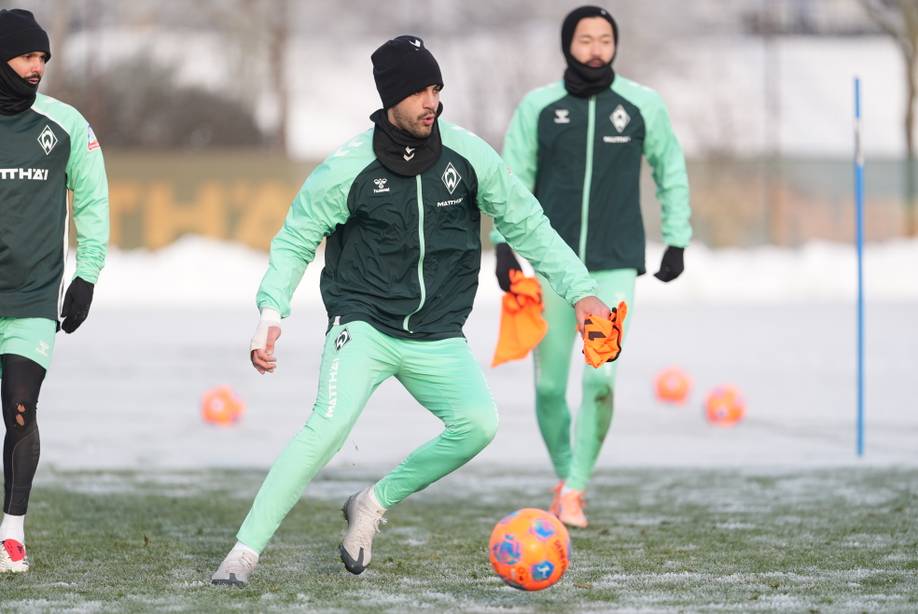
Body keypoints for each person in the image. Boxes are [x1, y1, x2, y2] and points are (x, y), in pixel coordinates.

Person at [212, 35, 612, 586]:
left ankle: (372, 505)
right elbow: (295, 240)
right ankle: (243, 554)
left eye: (436, 89)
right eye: (419, 91)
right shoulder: (346, 167)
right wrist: (270, 312)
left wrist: (582, 291)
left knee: (477, 424)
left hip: (437, 333)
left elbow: (529, 225)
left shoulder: (468, 156)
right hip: (364, 325)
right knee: (325, 430)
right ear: (390, 97)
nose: (431, 102)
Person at [496, 6, 692, 528]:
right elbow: (510, 182)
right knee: (547, 388)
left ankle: (576, 489)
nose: (596, 48)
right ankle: (566, 476)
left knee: (601, 380)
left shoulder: (642, 105)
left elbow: (669, 168)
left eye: (605, 39)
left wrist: (676, 239)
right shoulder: (538, 106)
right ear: (568, 45)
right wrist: (501, 246)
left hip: (613, 266)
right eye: (585, 39)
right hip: (549, 267)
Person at [0, 9, 109, 572]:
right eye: (25, 56)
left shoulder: (65, 124)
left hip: (31, 298)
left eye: (42, 57)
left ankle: (11, 534)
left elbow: (92, 202)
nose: (36, 67)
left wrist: (86, 275)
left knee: (19, 408)